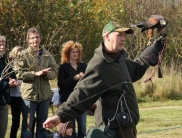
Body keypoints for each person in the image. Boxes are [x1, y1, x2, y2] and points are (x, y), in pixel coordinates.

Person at [43, 22, 166, 138]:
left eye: (124, 35)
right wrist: (60, 115)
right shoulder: (99, 65)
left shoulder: (119, 60)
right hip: (113, 131)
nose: (123, 38)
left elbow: (136, 68)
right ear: (107, 36)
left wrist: (153, 49)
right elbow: (82, 94)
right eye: (119, 35)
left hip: (127, 128)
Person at [14, 28, 58, 138]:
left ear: (41, 38)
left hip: (44, 96)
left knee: (43, 126)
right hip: (29, 96)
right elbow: (19, 74)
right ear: (28, 40)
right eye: (32, 38)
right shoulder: (23, 55)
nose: (35, 40)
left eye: (37, 37)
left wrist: (46, 74)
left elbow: (54, 72)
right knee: (28, 126)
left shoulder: (48, 55)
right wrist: (35, 74)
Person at [57, 40, 87, 138]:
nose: (75, 54)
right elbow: (61, 84)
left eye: (77, 52)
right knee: (70, 129)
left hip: (82, 100)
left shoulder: (83, 66)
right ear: (68, 53)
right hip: (68, 101)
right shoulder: (63, 67)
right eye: (73, 52)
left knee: (82, 128)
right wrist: (74, 78)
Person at [0, 35, 20, 138]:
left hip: (3, 101)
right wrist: (7, 84)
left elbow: (11, 75)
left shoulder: (6, 61)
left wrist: (13, 80)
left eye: (3, 45)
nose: (2, 47)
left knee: (2, 130)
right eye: (0, 45)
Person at [9, 46, 23, 138]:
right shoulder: (10, 66)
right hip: (14, 96)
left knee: (30, 119)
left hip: (25, 96)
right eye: (17, 54)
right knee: (16, 121)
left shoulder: (26, 65)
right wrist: (12, 81)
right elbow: (8, 79)